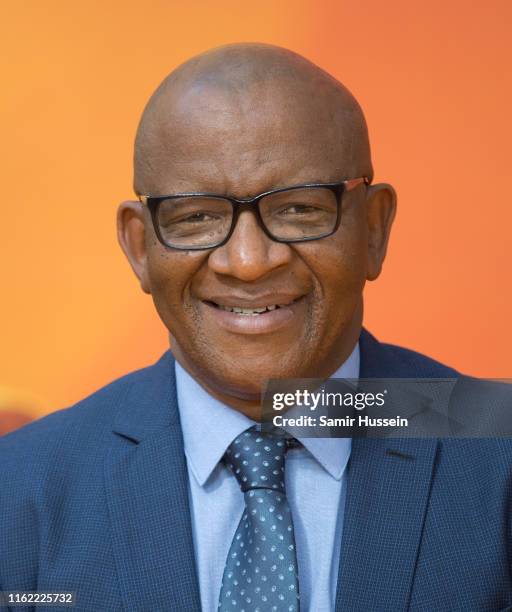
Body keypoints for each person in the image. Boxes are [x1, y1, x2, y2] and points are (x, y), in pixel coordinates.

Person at [0, 43, 510, 612]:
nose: (247, 261)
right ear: (140, 247)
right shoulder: (18, 491)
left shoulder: (499, 452)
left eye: (298, 209)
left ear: (373, 229)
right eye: (197, 216)